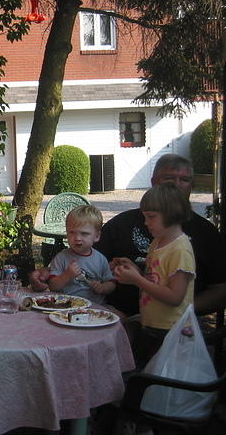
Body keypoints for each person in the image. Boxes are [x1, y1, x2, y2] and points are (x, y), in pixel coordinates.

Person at [96, 154, 226, 316]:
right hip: (118, 314)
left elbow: (220, 289)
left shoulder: (203, 234)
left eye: (184, 180)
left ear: (191, 185)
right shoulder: (121, 224)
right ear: (153, 183)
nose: (177, 185)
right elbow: (90, 263)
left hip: (171, 323)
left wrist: (184, 310)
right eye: (169, 178)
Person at [113, 183, 195, 369]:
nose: (145, 222)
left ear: (171, 214)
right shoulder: (158, 242)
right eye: (145, 217)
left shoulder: (180, 250)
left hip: (171, 330)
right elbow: (155, 280)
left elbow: (175, 297)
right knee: (143, 371)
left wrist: (137, 280)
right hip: (151, 324)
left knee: (158, 379)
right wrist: (134, 269)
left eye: (151, 217)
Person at [47, 205, 115, 305]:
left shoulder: (100, 259)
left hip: (95, 306)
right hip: (67, 305)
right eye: (72, 233)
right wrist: (67, 276)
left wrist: (103, 288)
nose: (77, 238)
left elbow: (112, 283)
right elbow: (53, 286)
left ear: (96, 236)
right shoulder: (61, 258)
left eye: (84, 234)